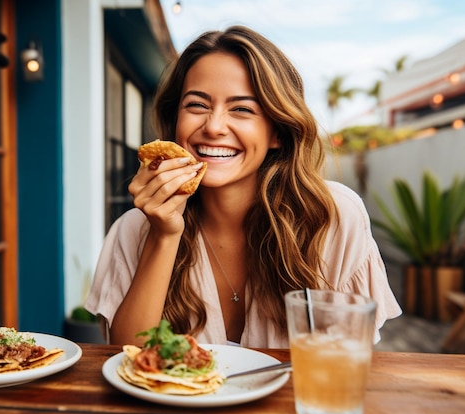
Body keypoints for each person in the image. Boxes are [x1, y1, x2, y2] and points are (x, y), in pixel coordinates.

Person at [85, 25, 401, 347]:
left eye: (242, 109)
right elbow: (129, 357)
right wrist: (164, 236)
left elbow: (347, 360)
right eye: (197, 105)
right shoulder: (133, 230)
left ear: (277, 131)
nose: (214, 127)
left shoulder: (331, 217)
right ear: (175, 121)